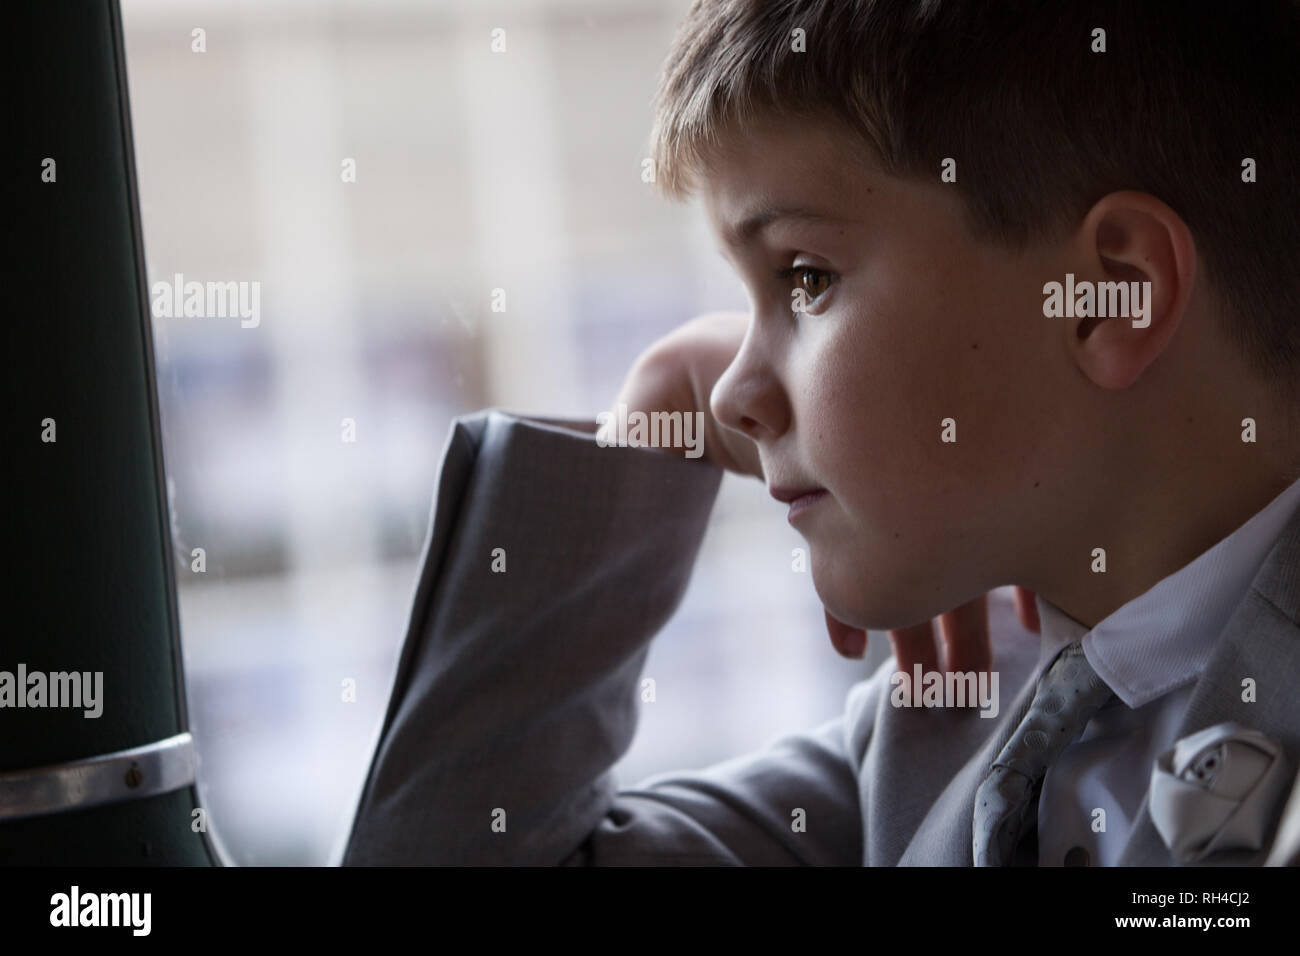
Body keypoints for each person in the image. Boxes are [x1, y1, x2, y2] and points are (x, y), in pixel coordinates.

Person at [342, 0, 1300, 866]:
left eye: (805, 278)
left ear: (1110, 296)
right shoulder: (941, 729)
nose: (729, 398)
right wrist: (643, 431)